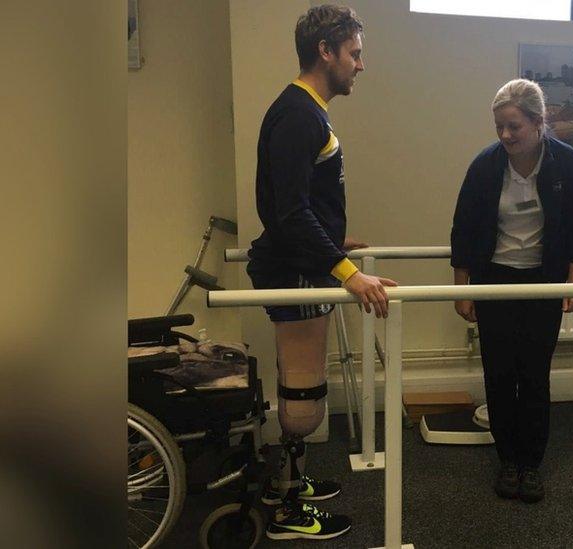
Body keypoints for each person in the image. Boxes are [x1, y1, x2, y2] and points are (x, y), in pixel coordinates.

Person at [246, 4, 396, 541]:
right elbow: (286, 212)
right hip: (297, 269)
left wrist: (335, 242)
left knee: (302, 389)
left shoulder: (308, 111)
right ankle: (287, 510)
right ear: (325, 51)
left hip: (307, 262)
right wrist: (347, 270)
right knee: (304, 399)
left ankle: (288, 484)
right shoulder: (298, 114)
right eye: (354, 54)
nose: (361, 65)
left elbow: (301, 202)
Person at [450, 79, 573, 504]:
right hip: (495, 280)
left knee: (533, 375)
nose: (506, 136)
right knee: (499, 372)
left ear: (538, 121)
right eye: (499, 128)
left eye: (514, 126)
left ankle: (531, 463)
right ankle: (507, 459)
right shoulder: (485, 166)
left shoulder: (566, 163)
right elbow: (463, 230)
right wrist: (462, 289)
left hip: (543, 281)